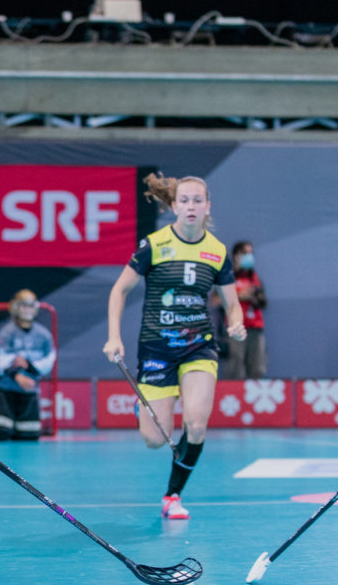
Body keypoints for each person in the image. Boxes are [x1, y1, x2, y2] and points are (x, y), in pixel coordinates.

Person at [103, 173, 246, 521]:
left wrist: (236, 321)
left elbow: (232, 302)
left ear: (208, 206)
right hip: (157, 348)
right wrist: (113, 336)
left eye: (198, 200)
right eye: (184, 200)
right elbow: (119, 290)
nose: (191, 206)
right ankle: (145, 409)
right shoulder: (153, 245)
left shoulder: (217, 251)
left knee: (197, 424)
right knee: (155, 439)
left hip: (199, 347)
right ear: (174, 206)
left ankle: (172, 495)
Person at [0, 289, 56, 441]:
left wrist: (29, 367)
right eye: (24, 306)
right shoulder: (7, 333)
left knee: (29, 435)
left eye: (30, 306)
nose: (27, 310)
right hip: (5, 390)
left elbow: (49, 360)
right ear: (15, 307)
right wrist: (16, 375)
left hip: (29, 392)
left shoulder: (44, 335)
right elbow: (1, 360)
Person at [221, 240, 267, 379]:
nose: (249, 256)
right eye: (245, 253)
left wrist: (254, 298)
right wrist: (239, 296)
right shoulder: (227, 276)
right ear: (236, 255)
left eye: (251, 253)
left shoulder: (255, 278)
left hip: (255, 329)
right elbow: (215, 301)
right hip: (235, 330)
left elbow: (264, 302)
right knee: (235, 370)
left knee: (256, 369)